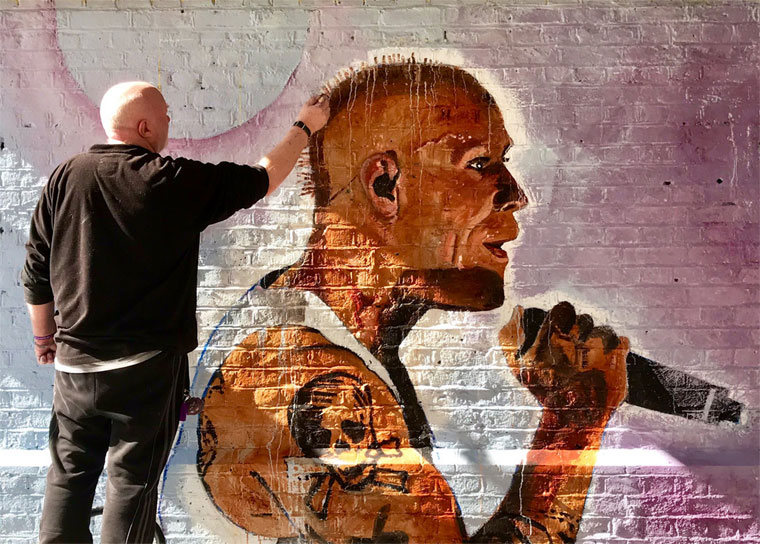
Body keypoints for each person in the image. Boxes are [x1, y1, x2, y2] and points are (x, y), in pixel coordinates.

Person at [195, 61, 629, 543]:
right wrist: (574, 419)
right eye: (479, 163)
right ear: (385, 185)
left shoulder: (328, 342)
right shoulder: (319, 382)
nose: (515, 195)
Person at [21, 80, 330, 543]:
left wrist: (45, 339)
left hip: (75, 368)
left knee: (68, 476)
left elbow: (35, 271)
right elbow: (263, 178)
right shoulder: (170, 181)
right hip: (144, 370)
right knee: (132, 483)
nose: (169, 121)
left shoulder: (66, 177)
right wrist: (305, 126)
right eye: (165, 114)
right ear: (145, 126)